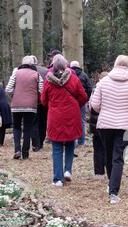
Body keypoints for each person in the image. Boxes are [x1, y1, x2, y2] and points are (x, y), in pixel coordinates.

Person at [89, 55, 128, 204]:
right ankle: (113, 192)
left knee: (108, 154)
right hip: (125, 127)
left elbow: (95, 105)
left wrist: (105, 111)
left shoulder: (103, 82)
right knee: (118, 157)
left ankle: (111, 185)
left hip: (104, 125)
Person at [41, 54, 88, 187]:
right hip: (72, 116)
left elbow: (43, 100)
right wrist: (74, 104)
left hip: (55, 117)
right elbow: (83, 97)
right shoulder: (73, 79)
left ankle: (58, 179)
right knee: (70, 144)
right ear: (66, 65)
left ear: (53, 66)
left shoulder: (48, 81)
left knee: (56, 148)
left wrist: (53, 104)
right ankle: (67, 170)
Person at [5, 56, 44, 159]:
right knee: (28, 128)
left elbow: (8, 89)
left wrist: (14, 96)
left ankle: (17, 150)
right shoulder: (37, 75)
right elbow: (41, 91)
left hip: (16, 105)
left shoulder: (16, 72)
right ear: (32, 64)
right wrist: (36, 99)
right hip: (31, 106)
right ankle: (25, 153)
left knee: (16, 127)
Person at [89, 71, 108, 180]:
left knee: (97, 148)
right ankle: (108, 169)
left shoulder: (95, 89)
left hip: (95, 123)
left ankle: (99, 172)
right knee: (107, 147)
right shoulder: (112, 89)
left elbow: (91, 106)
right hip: (107, 122)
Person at [70, 61, 93, 147]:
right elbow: (90, 88)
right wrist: (86, 98)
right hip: (81, 101)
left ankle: (73, 141)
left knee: (72, 120)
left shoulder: (69, 75)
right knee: (82, 121)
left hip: (71, 102)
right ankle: (81, 141)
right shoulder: (84, 75)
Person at [30, 55, 49, 151]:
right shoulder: (45, 71)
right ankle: (41, 142)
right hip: (44, 100)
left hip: (32, 101)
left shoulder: (27, 71)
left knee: (34, 122)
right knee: (43, 122)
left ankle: (35, 144)